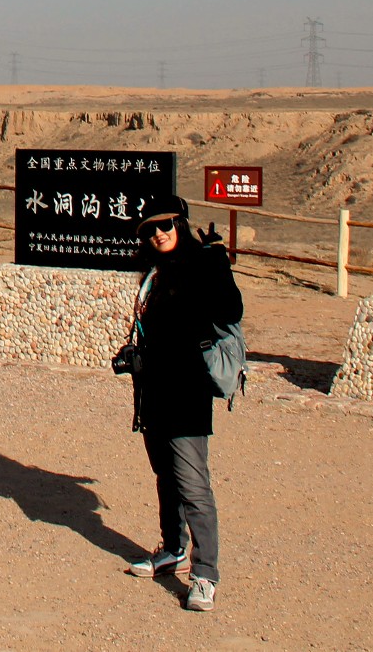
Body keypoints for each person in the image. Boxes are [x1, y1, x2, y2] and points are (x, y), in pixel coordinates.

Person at [122, 192, 243, 612]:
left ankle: (205, 573)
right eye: (149, 228)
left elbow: (231, 309)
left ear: (182, 222)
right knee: (165, 477)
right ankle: (172, 548)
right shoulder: (154, 271)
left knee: (193, 485)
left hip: (187, 393)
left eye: (165, 225)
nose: (158, 234)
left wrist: (218, 263)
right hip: (153, 391)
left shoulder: (203, 262)